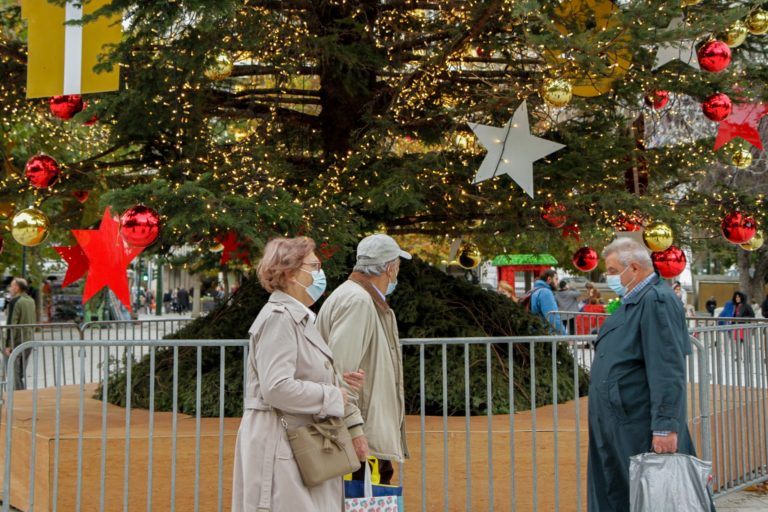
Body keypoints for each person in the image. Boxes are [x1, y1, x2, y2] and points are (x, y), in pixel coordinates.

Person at [231, 237, 357, 511]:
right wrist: (332, 394)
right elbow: (276, 387)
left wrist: (338, 382)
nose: (319, 272)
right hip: (281, 446)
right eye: (314, 265)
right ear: (290, 272)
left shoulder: (295, 317)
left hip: (297, 444)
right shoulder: (280, 318)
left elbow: (298, 373)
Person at [587, 238, 700, 511]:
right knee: (619, 491)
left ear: (634, 268)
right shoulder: (636, 299)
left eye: (613, 270)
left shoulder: (656, 301)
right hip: (619, 417)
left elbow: (667, 368)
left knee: (651, 497)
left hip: (636, 420)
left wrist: (665, 426)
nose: (609, 277)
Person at [317, 233, 411, 485]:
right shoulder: (358, 301)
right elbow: (341, 373)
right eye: (398, 266)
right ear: (390, 268)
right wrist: (355, 430)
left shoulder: (356, 296)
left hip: (362, 433)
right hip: (361, 439)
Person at [5, 278, 37, 390]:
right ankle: (22, 394)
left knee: (15, 374)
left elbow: (11, 324)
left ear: (17, 287)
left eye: (11, 286)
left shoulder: (15, 301)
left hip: (17, 341)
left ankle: (18, 397)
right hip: (29, 340)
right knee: (20, 374)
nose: (10, 288)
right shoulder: (31, 301)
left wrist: (8, 344)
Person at [530, 269, 565, 334]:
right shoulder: (545, 292)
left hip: (536, 332)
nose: (558, 282)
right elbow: (553, 318)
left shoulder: (534, 290)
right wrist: (564, 336)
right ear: (549, 279)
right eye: (556, 279)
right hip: (546, 334)